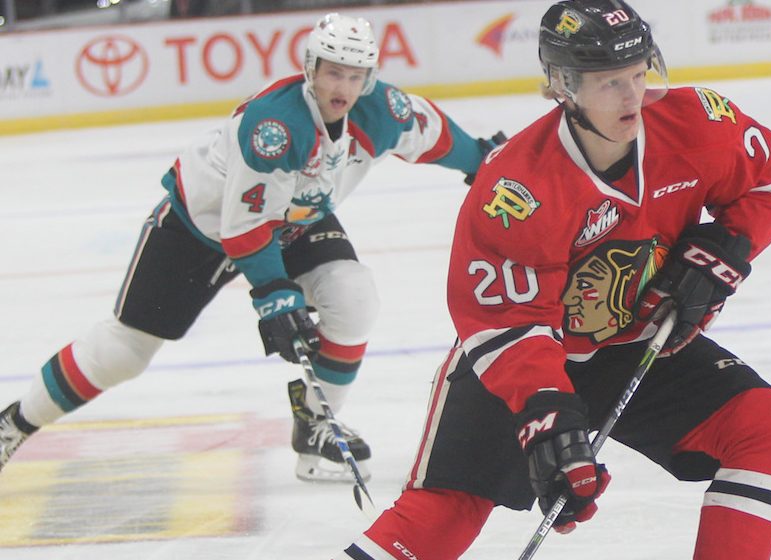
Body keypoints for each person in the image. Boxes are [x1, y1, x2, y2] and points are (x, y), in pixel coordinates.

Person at [219, 0, 771, 560]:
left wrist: (724, 247)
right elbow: (501, 323)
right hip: (524, 361)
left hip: (637, 345)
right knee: (440, 517)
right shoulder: (516, 184)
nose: (633, 97)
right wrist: (551, 421)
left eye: (639, 74)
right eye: (608, 82)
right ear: (562, 84)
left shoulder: (697, 122)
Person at [0, 13, 502, 483]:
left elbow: (431, 133)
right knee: (124, 352)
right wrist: (275, 296)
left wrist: (480, 161)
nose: (342, 88)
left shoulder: (382, 109)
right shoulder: (275, 127)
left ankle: (315, 431)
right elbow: (243, 227)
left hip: (295, 220)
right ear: (311, 69)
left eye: (354, 76)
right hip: (200, 228)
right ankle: (16, 422)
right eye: (332, 73)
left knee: (353, 297)